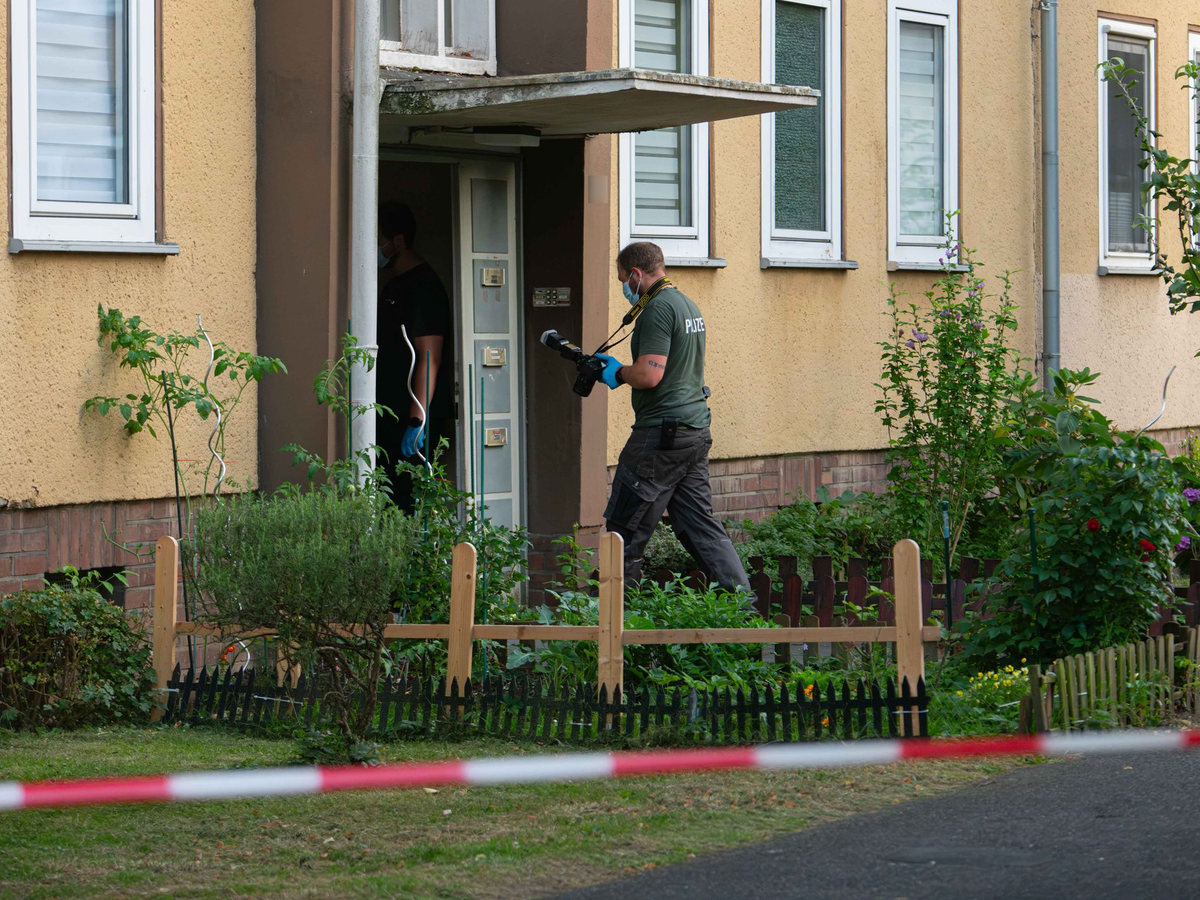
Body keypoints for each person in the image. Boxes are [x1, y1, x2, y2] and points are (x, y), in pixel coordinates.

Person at [595, 241, 751, 593]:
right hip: (693, 432)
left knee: (624, 530)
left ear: (636, 274)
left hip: (660, 436)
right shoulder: (686, 304)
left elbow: (650, 375)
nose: (624, 288)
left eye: (623, 279)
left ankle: (612, 615)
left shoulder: (657, 309)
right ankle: (743, 609)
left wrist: (617, 372)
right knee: (701, 527)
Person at [376, 201, 454, 508]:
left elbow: (430, 357)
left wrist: (416, 420)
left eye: (378, 238)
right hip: (389, 412)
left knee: (409, 499)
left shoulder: (425, 287)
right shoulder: (393, 286)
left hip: (410, 419)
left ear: (397, 241)